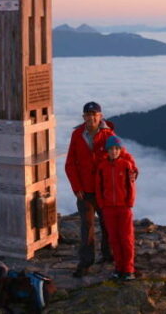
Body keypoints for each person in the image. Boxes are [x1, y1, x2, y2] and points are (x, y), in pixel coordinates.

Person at [65, 101, 116, 277]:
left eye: (94, 114)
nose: (91, 117)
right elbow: (70, 163)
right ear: (83, 117)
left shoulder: (109, 135)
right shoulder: (77, 135)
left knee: (107, 223)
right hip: (84, 191)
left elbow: (119, 159)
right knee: (87, 227)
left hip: (103, 190)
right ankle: (86, 262)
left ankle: (108, 254)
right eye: (88, 115)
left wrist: (131, 172)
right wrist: (76, 187)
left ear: (100, 116)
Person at [95, 135, 138, 280]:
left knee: (126, 239)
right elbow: (98, 187)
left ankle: (128, 269)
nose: (113, 151)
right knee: (114, 239)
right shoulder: (102, 167)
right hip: (108, 208)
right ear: (107, 150)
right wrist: (102, 204)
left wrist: (129, 203)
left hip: (124, 207)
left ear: (120, 150)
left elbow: (131, 186)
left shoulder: (126, 165)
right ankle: (118, 268)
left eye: (116, 149)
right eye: (111, 149)